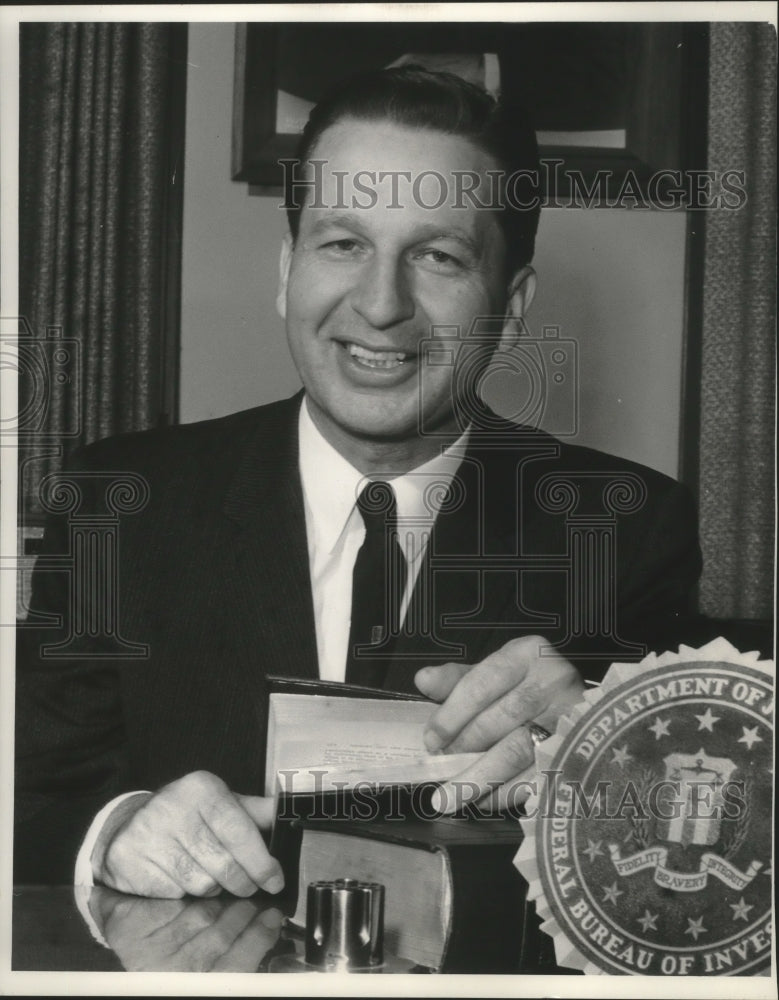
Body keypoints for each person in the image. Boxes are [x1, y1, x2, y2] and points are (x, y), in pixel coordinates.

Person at [15, 67, 702, 898]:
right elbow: (34, 797)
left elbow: (689, 856)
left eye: (438, 256)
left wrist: (601, 745)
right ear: (286, 269)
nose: (381, 305)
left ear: (510, 304)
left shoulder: (629, 530)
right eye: (343, 244)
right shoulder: (116, 504)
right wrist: (115, 830)